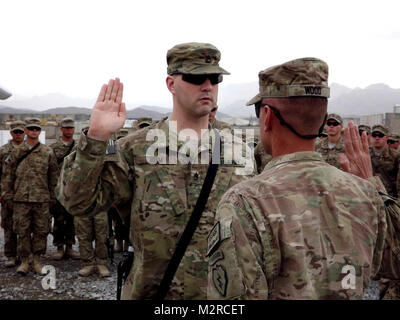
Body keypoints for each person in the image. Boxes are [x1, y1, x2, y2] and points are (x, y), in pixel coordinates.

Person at [56, 42, 254, 299]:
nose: (207, 86)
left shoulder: (239, 150)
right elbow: (77, 203)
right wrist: (96, 138)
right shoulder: (135, 149)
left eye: (214, 78)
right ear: (171, 84)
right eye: (195, 77)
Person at [207, 57, 400, 300]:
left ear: (268, 117)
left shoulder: (244, 202)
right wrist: (371, 185)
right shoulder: (366, 194)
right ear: (322, 119)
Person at [1, 118, 59, 275]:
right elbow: (7, 176)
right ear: (26, 131)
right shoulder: (15, 152)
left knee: (41, 231)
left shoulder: (47, 152)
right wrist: (8, 196)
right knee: (22, 231)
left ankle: (37, 260)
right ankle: (25, 261)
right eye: (31, 129)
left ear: (39, 131)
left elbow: (54, 177)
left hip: (41, 199)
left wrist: (53, 197)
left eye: (36, 129)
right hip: (20, 199)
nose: (34, 132)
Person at [49, 117, 80, 260]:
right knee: (59, 219)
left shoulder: (79, 147)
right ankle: (59, 247)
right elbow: (49, 170)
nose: (69, 130)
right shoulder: (53, 148)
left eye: (71, 128)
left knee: (72, 219)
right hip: (58, 190)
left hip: (73, 190)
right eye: (66, 128)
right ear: (61, 129)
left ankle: (70, 247)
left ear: (74, 129)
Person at [0, 120, 26, 267]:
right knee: (8, 226)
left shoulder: (31, 149)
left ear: (25, 133)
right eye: (15, 132)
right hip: (7, 194)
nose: (18, 134)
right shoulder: (3, 150)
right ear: (11, 133)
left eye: (21, 132)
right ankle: (10, 255)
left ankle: (24, 255)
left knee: (24, 227)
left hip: (25, 194)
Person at [369, 124, 400, 198]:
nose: (377, 138)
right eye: (374, 135)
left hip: (389, 199)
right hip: (370, 197)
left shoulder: (395, 156)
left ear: (387, 137)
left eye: (380, 135)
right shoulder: (365, 154)